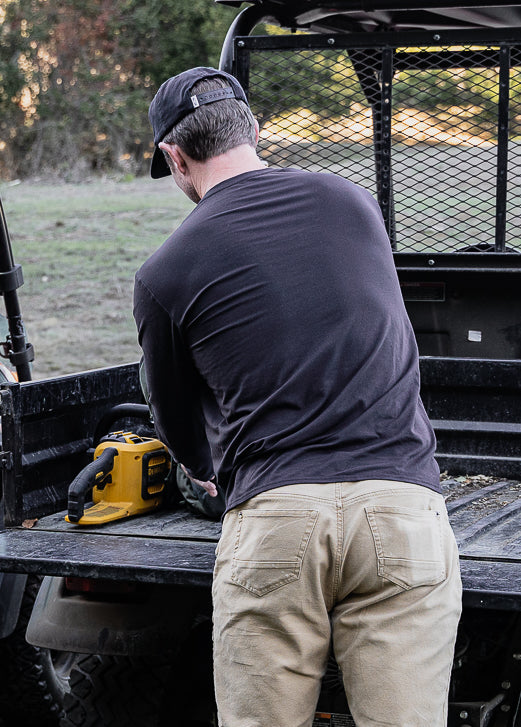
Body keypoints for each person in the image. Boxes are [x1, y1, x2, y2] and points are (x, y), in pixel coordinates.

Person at [134, 66, 462, 727]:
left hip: (275, 520)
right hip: (401, 510)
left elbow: (175, 423)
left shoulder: (163, 271)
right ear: (253, 129)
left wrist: (204, 468)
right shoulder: (352, 203)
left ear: (175, 156)